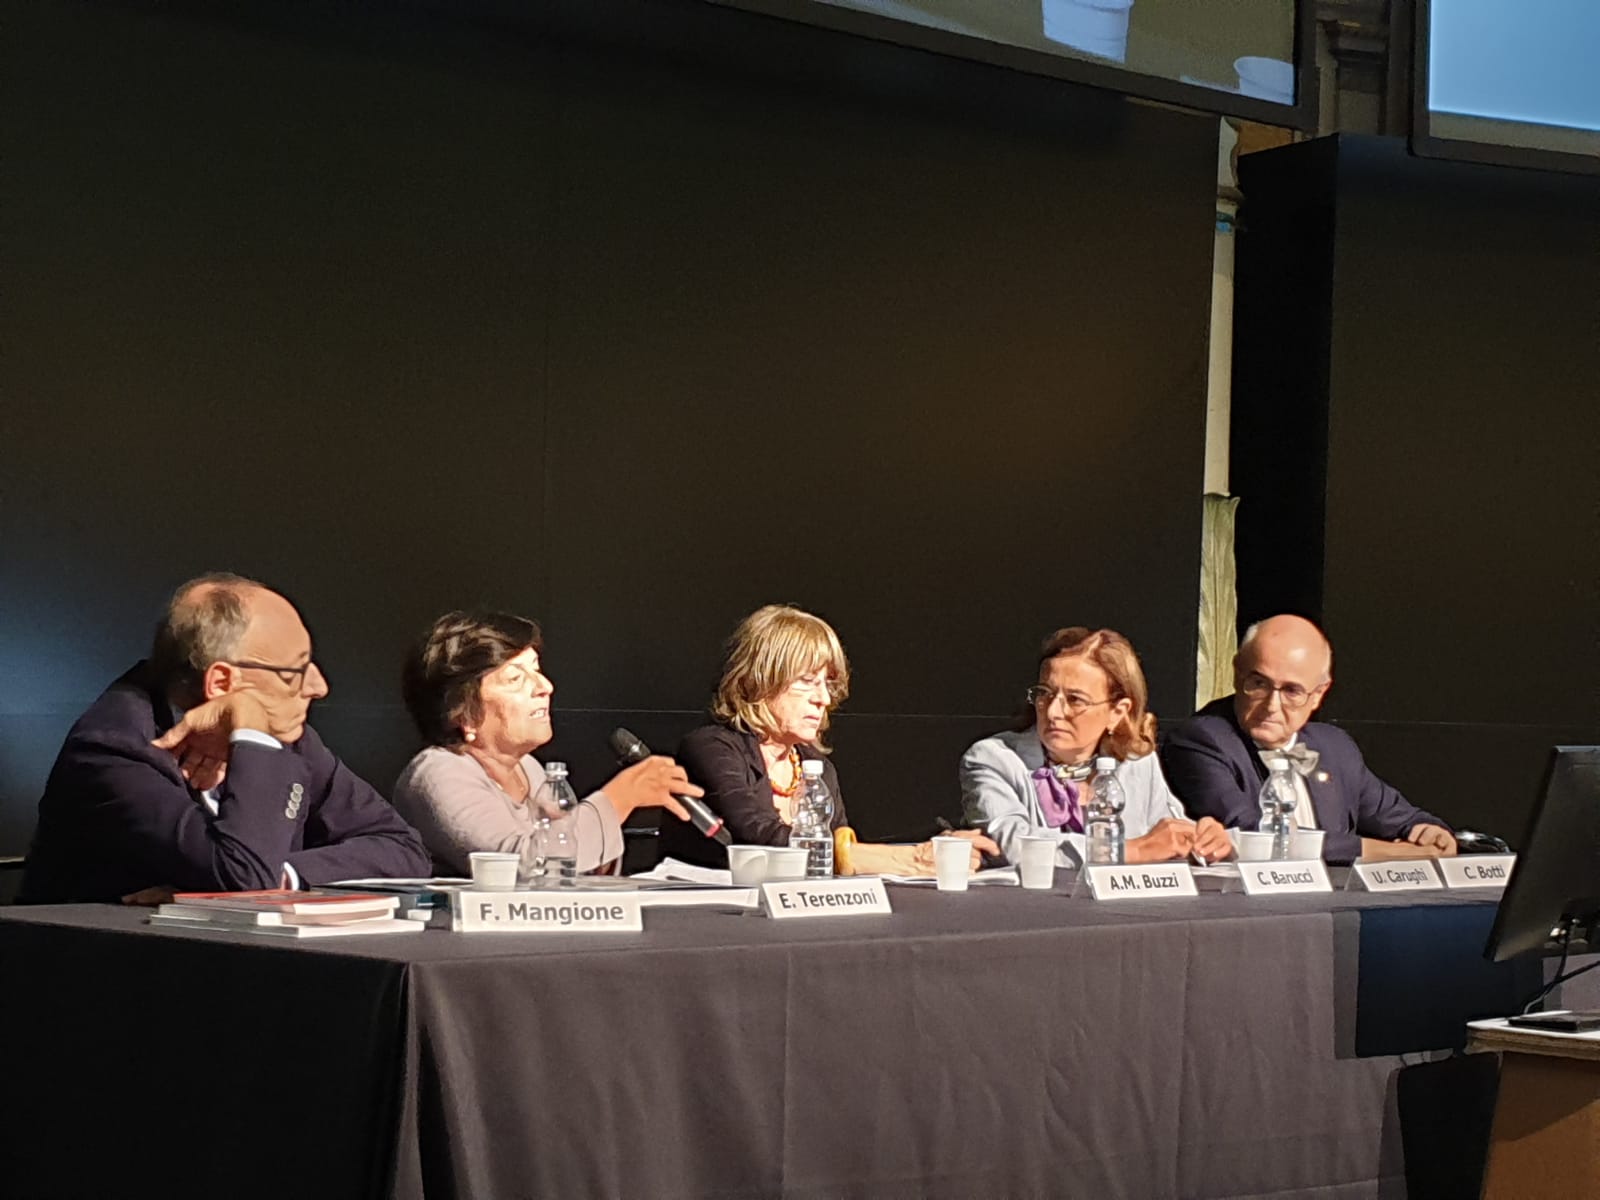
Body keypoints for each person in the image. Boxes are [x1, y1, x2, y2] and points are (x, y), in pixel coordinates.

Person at [19, 573, 430, 904]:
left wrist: (284, 874)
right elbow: (241, 877)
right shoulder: (115, 749)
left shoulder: (291, 736)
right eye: (295, 671)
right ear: (222, 682)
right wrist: (252, 734)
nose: (319, 687)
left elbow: (404, 848)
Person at [662, 604, 997, 873]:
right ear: (757, 682)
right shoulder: (710, 748)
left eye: (827, 683)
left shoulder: (815, 765)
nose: (823, 698)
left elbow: (843, 852)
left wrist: (937, 844)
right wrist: (912, 859)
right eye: (807, 681)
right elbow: (758, 838)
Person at [393, 611, 701, 877]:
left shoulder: (529, 769)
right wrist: (620, 798)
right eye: (516, 679)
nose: (545, 687)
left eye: (537, 671)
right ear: (462, 712)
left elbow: (564, 862)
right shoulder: (437, 773)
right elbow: (515, 867)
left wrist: (592, 851)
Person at [1159, 614, 1456, 864]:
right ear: (1237, 674)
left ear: (1318, 695)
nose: (1272, 705)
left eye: (1292, 691)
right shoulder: (1201, 741)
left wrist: (1429, 833)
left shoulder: (1334, 746)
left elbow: (1396, 816)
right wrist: (1394, 853)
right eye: (1259, 683)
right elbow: (1255, 836)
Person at [961, 627, 1231, 867]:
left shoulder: (1137, 761)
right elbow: (1012, 845)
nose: (1053, 712)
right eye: (1045, 693)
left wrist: (1203, 840)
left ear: (1118, 712)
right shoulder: (993, 758)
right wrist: (1131, 851)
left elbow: (1168, 836)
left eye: (1075, 700)